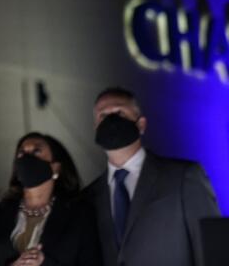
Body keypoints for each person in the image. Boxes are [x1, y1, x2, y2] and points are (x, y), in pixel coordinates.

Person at [84, 87, 221, 266]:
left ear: (141, 124)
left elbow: (212, 248)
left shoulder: (183, 177)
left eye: (119, 113)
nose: (111, 121)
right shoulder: (88, 197)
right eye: (103, 116)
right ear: (96, 127)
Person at [0, 132, 100, 266]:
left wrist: (45, 263)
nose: (27, 158)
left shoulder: (80, 216)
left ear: (56, 167)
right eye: (21, 153)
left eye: (36, 151)